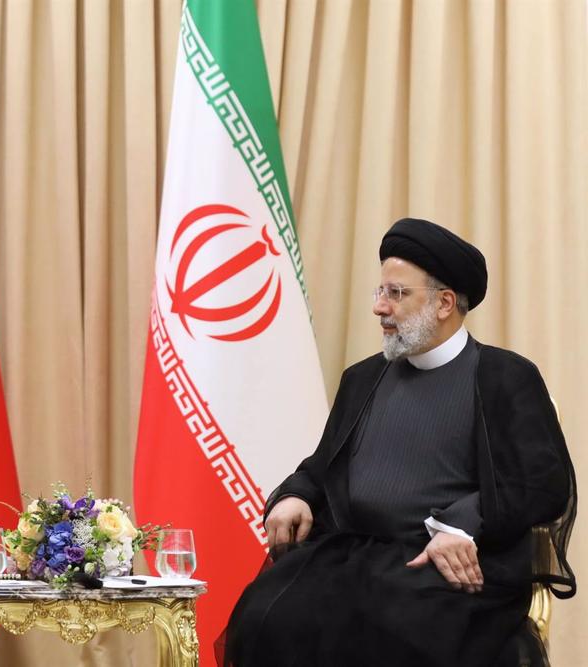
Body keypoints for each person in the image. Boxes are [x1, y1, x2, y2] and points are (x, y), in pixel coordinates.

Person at [220, 218, 576, 667]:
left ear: (445, 303)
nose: (380, 308)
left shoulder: (505, 376)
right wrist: (295, 494)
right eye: (380, 292)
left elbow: (542, 484)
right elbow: (324, 465)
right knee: (268, 618)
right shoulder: (363, 378)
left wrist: (459, 523)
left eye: (397, 294)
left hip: (445, 568)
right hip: (355, 556)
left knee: (389, 631)